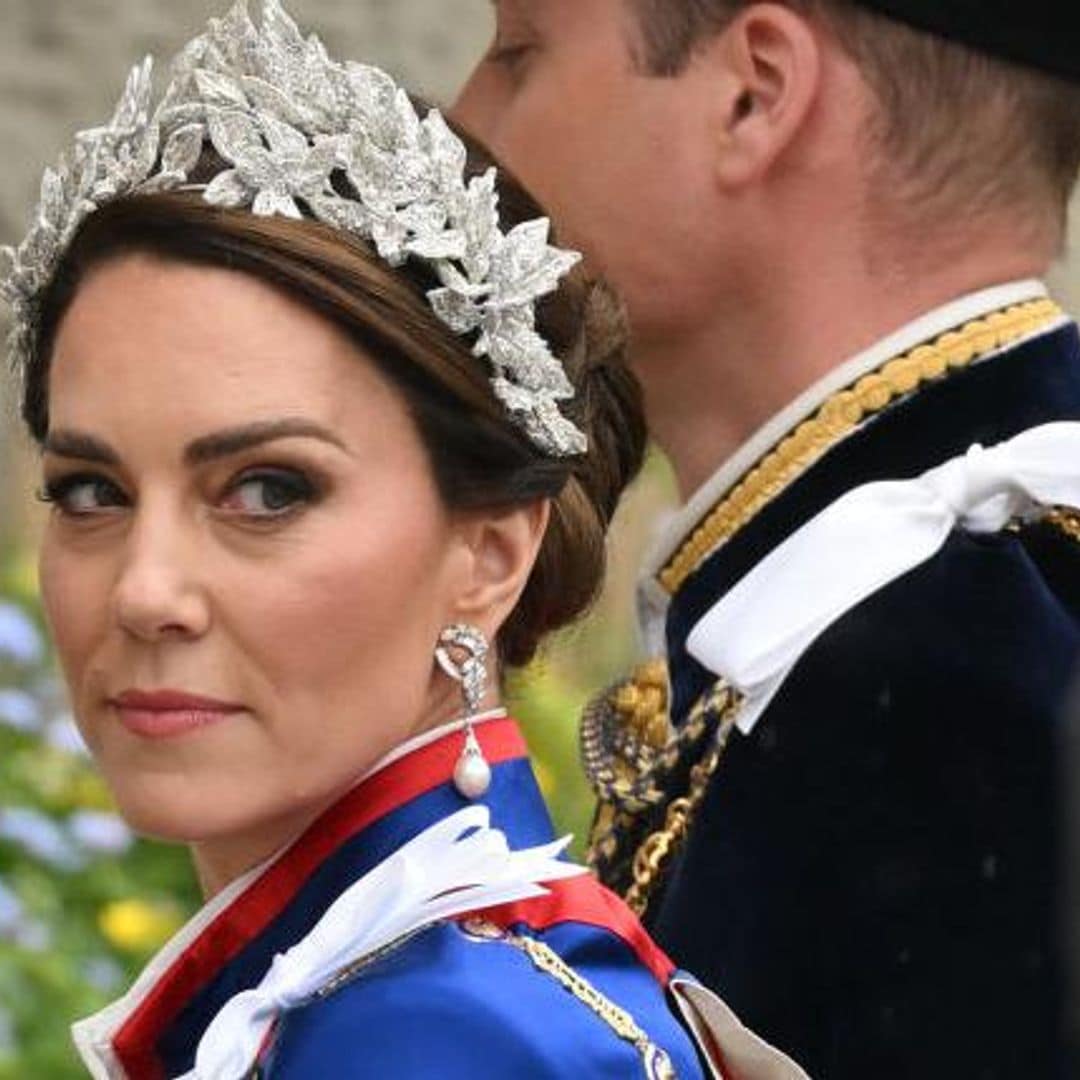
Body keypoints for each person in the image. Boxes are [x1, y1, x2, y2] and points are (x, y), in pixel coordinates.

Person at [0, 2, 810, 1077]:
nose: (145, 592)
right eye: (92, 489)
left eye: (267, 489)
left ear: (489, 557)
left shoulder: (431, 1038)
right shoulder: (437, 984)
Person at [455, 2, 1080, 1076]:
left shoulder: (962, 690)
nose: (465, 118)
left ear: (755, 94)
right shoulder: (924, 618)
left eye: (519, 52)